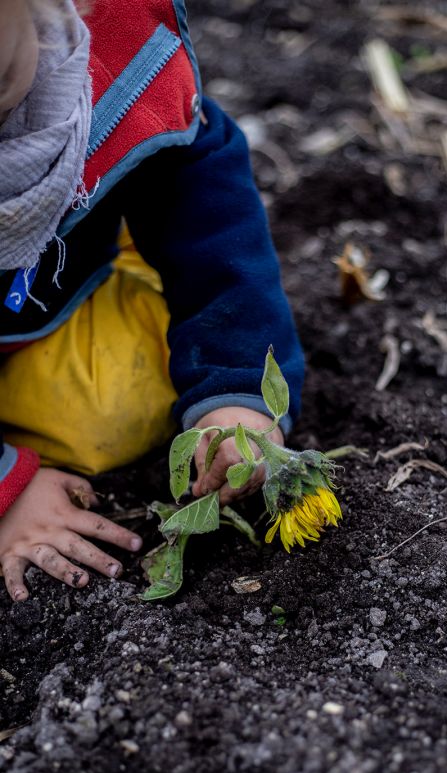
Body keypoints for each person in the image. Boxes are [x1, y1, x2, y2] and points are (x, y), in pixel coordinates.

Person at [0, 0, 304, 602]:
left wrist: (239, 396)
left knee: (114, 405)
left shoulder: (107, 71)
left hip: (49, 295)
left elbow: (212, 224)